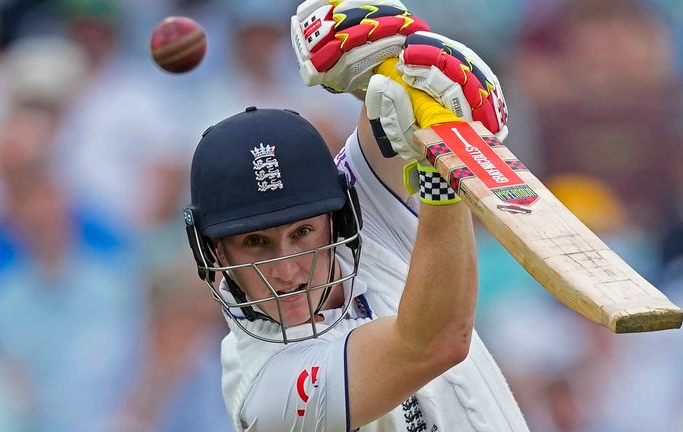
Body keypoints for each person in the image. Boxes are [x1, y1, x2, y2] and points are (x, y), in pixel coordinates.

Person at [184, 1, 526, 430]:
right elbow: (435, 342)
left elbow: (390, 108)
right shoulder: (269, 391)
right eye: (256, 242)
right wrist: (444, 168)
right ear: (214, 253)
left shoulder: (358, 223)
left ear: (338, 219)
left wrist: (384, 66)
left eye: (303, 232)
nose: (289, 270)